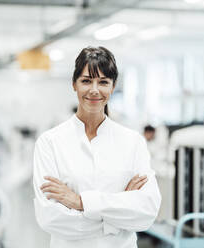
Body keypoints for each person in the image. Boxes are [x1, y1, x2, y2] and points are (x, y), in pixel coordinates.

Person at [33, 46, 161, 248]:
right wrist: (118, 215)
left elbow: (146, 212)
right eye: (86, 81)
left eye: (103, 82)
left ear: (113, 86)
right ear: (74, 84)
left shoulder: (133, 142)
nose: (94, 89)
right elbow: (51, 218)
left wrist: (80, 202)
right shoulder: (50, 142)